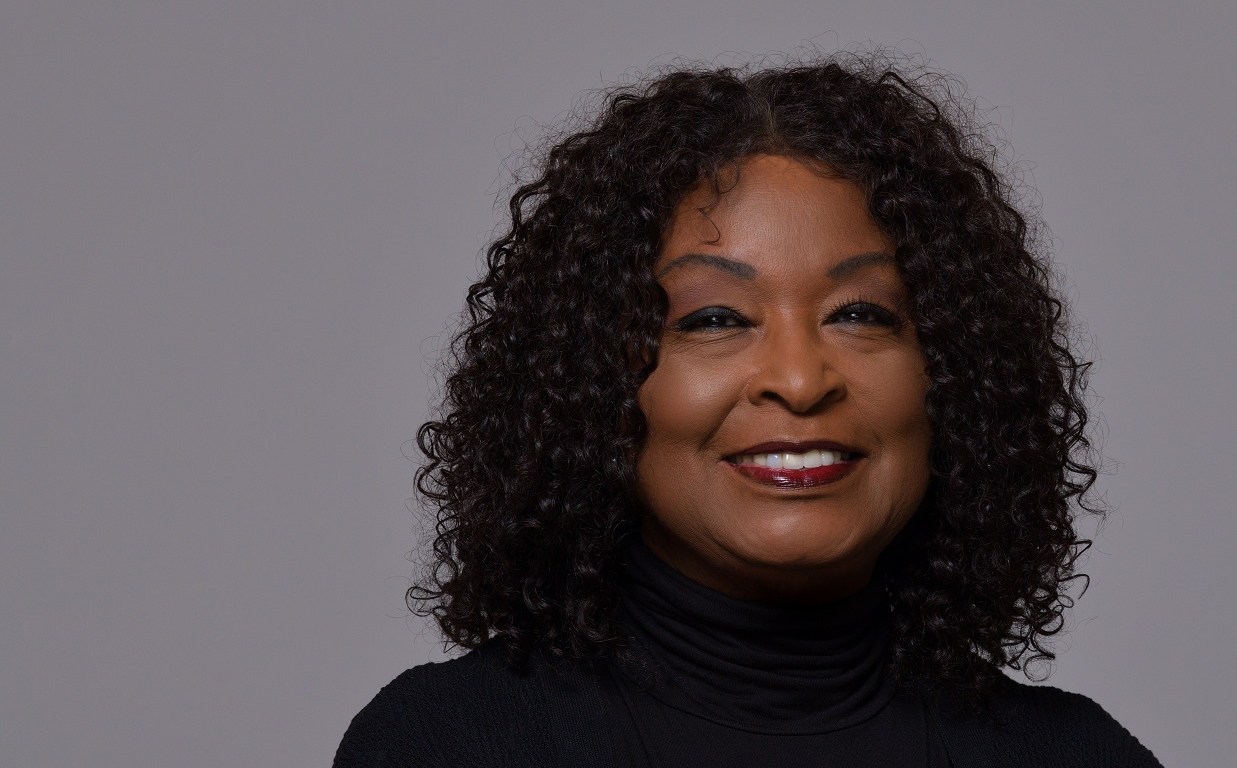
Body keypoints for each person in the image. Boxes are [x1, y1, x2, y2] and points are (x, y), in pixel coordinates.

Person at [334, 53, 1161, 767]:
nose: (799, 381)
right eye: (716, 319)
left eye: (859, 314)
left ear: (952, 373)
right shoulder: (453, 744)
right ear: (591, 385)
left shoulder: (1075, 756)